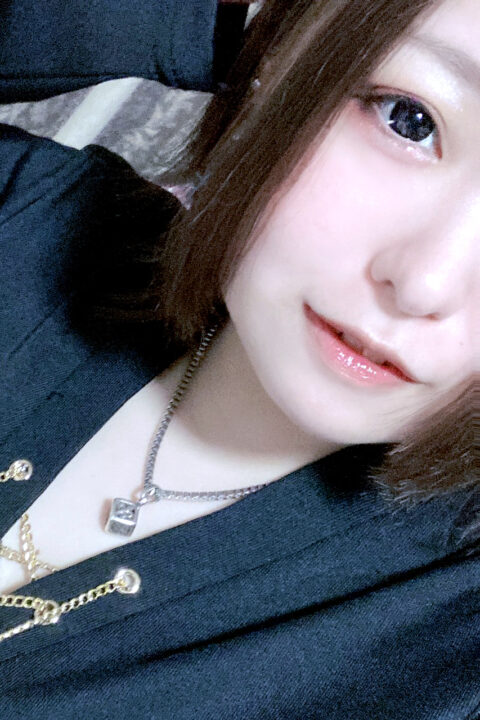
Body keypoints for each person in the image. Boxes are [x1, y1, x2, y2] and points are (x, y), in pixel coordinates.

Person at [0, 0, 478, 718]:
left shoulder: (454, 651)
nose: (422, 284)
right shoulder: (33, 219)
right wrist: (237, 21)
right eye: (409, 119)